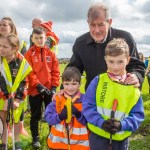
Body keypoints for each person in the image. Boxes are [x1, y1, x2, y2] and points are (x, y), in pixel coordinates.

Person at [83, 38, 144, 150]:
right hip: (98, 136)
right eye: (111, 61)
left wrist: (122, 125)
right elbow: (87, 106)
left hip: (120, 140)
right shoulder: (98, 81)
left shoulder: (133, 86)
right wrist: (101, 122)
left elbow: (138, 116)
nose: (115, 67)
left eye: (120, 61)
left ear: (128, 60)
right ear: (105, 59)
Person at [66, 2, 145, 90]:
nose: (96, 30)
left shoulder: (126, 37)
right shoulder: (80, 43)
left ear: (109, 22)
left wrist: (136, 76)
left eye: (100, 25)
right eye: (92, 25)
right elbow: (74, 69)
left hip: (122, 94)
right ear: (88, 22)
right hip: (94, 96)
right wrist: (63, 90)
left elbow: (137, 65)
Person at [24, 27, 60, 148]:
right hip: (35, 90)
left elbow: (56, 72)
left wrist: (54, 87)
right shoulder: (29, 54)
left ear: (46, 38)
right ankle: (35, 137)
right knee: (35, 114)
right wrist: (38, 85)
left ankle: (52, 135)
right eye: (36, 38)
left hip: (49, 90)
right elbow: (29, 72)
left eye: (41, 38)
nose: (39, 40)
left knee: (51, 113)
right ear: (32, 39)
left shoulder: (51, 54)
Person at [45, 67, 89, 150]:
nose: (70, 87)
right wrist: (59, 116)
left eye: (74, 84)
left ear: (80, 84)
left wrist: (78, 114)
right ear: (62, 84)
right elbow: (47, 117)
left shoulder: (85, 100)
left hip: (80, 145)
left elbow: (89, 121)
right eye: (67, 84)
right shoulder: (58, 99)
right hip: (58, 143)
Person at [0, 34, 32, 150]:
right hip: (2, 96)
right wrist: (6, 98)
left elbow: (24, 81)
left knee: (17, 120)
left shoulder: (22, 62)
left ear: (14, 48)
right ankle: (3, 143)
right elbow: (1, 83)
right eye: (0, 46)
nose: (1, 49)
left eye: (5, 46)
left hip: (18, 97)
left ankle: (17, 141)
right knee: (3, 120)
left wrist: (18, 99)